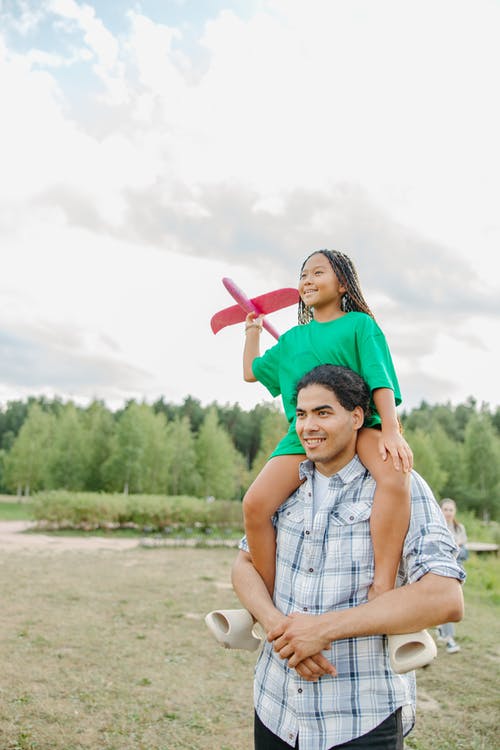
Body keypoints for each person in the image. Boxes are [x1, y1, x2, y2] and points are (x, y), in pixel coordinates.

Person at [232, 365, 465, 750]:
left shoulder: (400, 483)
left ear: (357, 417)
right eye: (301, 414)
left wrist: (321, 631)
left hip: (360, 719)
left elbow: (445, 596)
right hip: (276, 706)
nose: (308, 426)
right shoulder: (286, 484)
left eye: (323, 413)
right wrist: (280, 629)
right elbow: (243, 565)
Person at [242, 249, 413, 597]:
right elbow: (251, 371)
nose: (307, 280)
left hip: (358, 425)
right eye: (303, 275)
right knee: (254, 504)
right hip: (302, 436)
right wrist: (252, 332)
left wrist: (391, 431)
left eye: (318, 273)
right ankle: (268, 598)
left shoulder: (360, 326)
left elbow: (380, 379)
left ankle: (383, 587)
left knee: (394, 477)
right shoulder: (291, 340)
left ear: (344, 284)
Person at [437, 498, 468, 654]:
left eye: (451, 510)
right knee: (447, 604)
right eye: (446, 509)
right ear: (440, 510)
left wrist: (454, 548)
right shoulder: (436, 526)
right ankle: (449, 639)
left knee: (446, 604)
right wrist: (456, 546)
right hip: (441, 571)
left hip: (456, 572)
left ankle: (441, 629)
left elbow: (464, 553)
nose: (448, 512)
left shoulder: (459, 527)